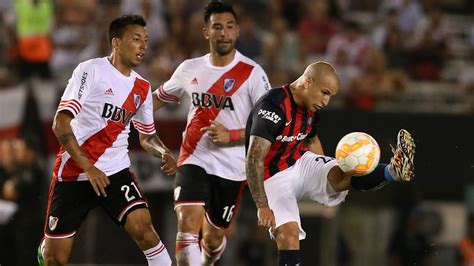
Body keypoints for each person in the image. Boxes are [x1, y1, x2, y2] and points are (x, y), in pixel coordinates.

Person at [36, 15, 177, 266]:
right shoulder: (90, 70)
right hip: (75, 172)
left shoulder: (142, 87)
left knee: (145, 230)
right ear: (116, 42)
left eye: (146, 40)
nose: (144, 46)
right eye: (136, 39)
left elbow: (147, 136)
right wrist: (88, 167)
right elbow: (60, 124)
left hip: (115, 172)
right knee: (54, 260)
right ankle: (46, 247)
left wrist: (163, 152)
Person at [245, 61, 415, 266]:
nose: (326, 101)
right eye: (324, 93)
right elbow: (254, 158)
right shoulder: (272, 106)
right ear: (307, 82)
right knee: (289, 236)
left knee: (342, 172)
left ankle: (393, 171)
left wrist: (325, 169)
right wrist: (262, 206)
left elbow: (311, 140)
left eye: (330, 96)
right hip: (272, 176)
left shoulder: (311, 106)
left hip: (299, 161)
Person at [152, 2, 271, 265]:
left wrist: (233, 135)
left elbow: (268, 125)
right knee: (187, 221)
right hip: (195, 155)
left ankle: (208, 259)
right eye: (217, 27)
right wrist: (125, 110)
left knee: (215, 236)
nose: (224, 33)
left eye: (229, 26)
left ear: (238, 31)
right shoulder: (189, 68)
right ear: (206, 32)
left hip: (232, 167)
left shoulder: (252, 74)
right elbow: (158, 98)